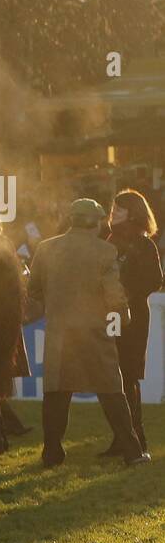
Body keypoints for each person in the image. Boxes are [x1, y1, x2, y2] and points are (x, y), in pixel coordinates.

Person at [29, 198, 150, 468]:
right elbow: (114, 297)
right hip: (95, 334)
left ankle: (52, 454)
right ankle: (132, 453)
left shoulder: (45, 248)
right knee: (112, 394)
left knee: (56, 395)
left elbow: (33, 289)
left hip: (59, 335)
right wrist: (123, 317)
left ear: (72, 220)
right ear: (94, 222)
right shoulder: (105, 251)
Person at [101, 189, 162, 456]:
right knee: (114, 377)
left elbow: (154, 281)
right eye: (113, 208)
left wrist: (126, 294)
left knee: (128, 377)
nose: (113, 212)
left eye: (119, 209)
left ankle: (137, 439)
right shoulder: (110, 240)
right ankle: (122, 438)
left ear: (133, 212)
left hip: (134, 317)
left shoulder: (143, 243)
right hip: (112, 316)